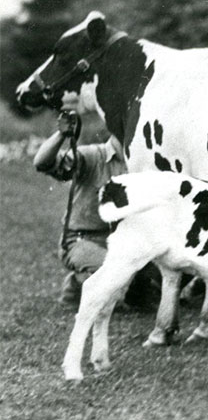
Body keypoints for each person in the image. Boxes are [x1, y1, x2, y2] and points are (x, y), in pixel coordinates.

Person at [33, 109, 159, 310]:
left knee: (153, 276)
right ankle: (77, 285)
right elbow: (42, 163)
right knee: (116, 272)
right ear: (114, 131)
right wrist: (62, 135)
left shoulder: (141, 164)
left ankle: (127, 288)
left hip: (121, 243)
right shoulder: (92, 156)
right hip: (82, 240)